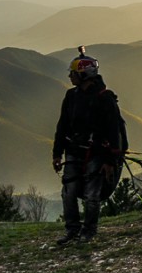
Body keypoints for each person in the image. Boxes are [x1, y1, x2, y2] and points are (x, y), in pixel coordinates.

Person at [52, 46, 127, 245]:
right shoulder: (71, 96)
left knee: (92, 194)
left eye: (73, 73)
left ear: (84, 74)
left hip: (97, 154)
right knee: (69, 191)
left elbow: (113, 131)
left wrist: (110, 161)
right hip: (74, 151)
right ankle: (72, 229)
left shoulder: (105, 99)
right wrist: (57, 153)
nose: (70, 76)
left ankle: (89, 231)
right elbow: (62, 126)